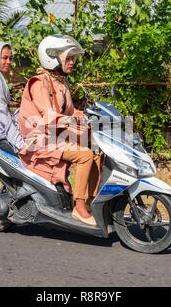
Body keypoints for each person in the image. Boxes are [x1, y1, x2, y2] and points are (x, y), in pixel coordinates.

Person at [18, 35, 103, 225]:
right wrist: (73, 119)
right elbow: (48, 117)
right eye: (68, 58)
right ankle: (79, 207)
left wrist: (89, 117)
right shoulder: (39, 83)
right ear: (52, 58)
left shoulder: (61, 82)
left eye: (73, 58)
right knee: (85, 155)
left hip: (56, 135)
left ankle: (89, 201)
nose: (72, 62)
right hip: (40, 139)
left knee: (97, 149)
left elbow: (71, 111)